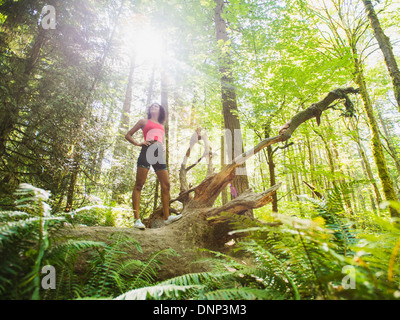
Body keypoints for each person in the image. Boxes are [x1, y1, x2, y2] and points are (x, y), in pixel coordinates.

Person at [125, 103, 182, 230]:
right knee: (139, 185)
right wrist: (138, 143)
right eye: (151, 106)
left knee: (166, 185)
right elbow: (128, 135)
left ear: (160, 110)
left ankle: (167, 218)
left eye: (156, 106)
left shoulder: (162, 125)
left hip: (158, 154)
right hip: (146, 150)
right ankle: (137, 220)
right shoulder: (143, 121)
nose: (153, 107)